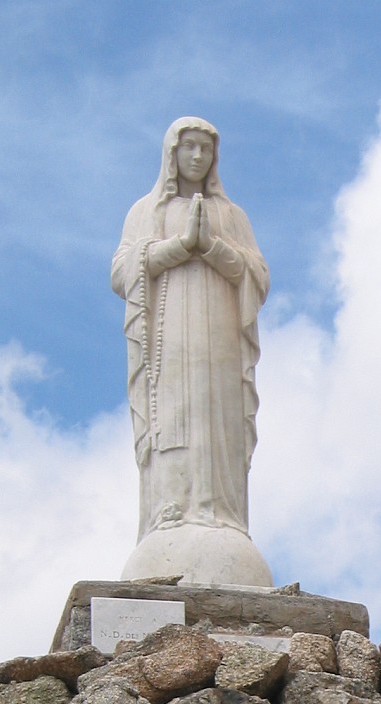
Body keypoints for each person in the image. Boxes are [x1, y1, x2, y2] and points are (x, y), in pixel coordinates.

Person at [112, 118, 270, 575]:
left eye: (206, 149)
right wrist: (181, 247)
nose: (198, 157)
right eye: (190, 148)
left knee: (217, 414)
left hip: (219, 333)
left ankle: (221, 514)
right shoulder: (147, 210)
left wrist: (214, 248)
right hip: (170, 334)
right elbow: (122, 271)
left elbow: (257, 274)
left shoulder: (232, 216)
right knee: (175, 412)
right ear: (171, 155)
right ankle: (170, 513)